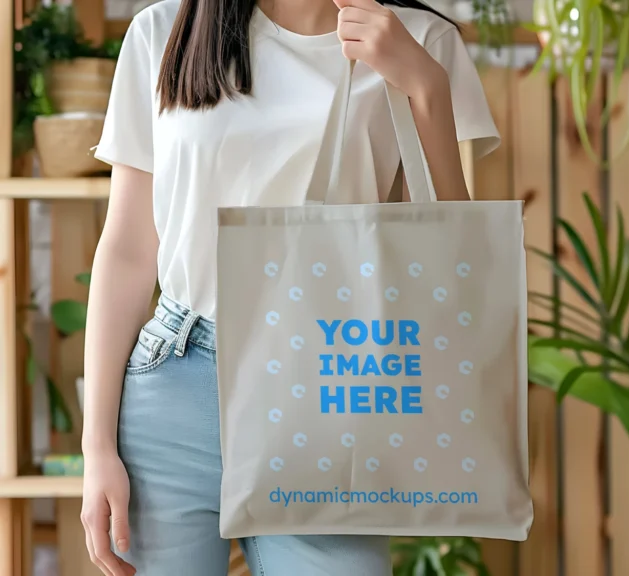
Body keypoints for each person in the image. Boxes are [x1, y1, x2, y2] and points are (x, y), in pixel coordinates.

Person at [80, 0, 499, 573]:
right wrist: (97, 446)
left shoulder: (420, 39)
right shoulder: (165, 31)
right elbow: (128, 250)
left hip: (330, 386)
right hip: (175, 386)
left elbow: (457, 260)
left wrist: (425, 88)